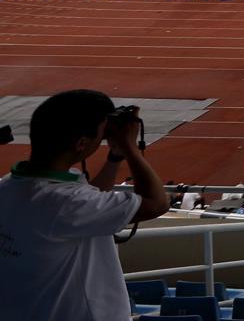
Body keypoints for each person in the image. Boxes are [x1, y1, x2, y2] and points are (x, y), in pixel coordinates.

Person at [0, 90, 169, 321]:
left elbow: (89, 199)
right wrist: (130, 148)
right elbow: (157, 204)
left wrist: (114, 159)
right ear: (81, 143)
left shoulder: (10, 186)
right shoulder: (66, 203)